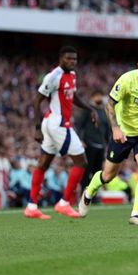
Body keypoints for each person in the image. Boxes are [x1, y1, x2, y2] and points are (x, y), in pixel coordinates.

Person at [79, 48, 138, 225]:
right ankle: (88, 192)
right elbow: (109, 105)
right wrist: (115, 128)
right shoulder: (127, 80)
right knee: (108, 176)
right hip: (123, 132)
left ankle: (136, 214)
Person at [25, 46, 98, 220]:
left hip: (57, 124)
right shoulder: (53, 77)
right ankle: (64, 203)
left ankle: (31, 206)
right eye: (68, 59)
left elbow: (74, 97)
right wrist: (36, 127)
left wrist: (90, 109)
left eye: (74, 59)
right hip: (57, 124)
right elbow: (37, 100)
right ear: (60, 59)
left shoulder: (72, 75)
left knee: (43, 164)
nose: (72, 62)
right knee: (81, 162)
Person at [75, 91, 110, 191]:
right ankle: (83, 193)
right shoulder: (88, 110)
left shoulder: (104, 111)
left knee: (98, 171)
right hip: (89, 143)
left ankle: (93, 194)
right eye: (97, 96)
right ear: (93, 97)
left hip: (101, 145)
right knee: (87, 170)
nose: (99, 98)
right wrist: (80, 139)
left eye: (101, 96)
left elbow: (107, 129)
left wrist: (108, 143)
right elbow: (79, 125)